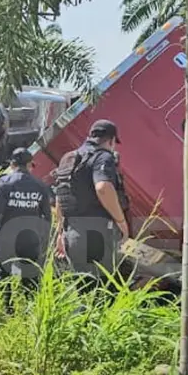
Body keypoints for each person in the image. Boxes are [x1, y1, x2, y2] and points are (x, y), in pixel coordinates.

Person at [52, 119, 130, 289]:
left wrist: (60, 234)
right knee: (101, 292)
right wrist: (121, 222)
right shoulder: (103, 156)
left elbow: (60, 197)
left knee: (81, 291)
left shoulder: (68, 158)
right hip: (97, 234)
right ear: (110, 141)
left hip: (71, 233)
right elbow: (103, 187)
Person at [0, 148, 52, 298]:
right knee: (30, 280)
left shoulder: (4, 183)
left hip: (7, 238)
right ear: (30, 165)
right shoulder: (40, 186)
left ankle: (7, 311)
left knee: (4, 277)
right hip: (30, 239)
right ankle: (30, 313)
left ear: (12, 164)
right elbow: (47, 217)